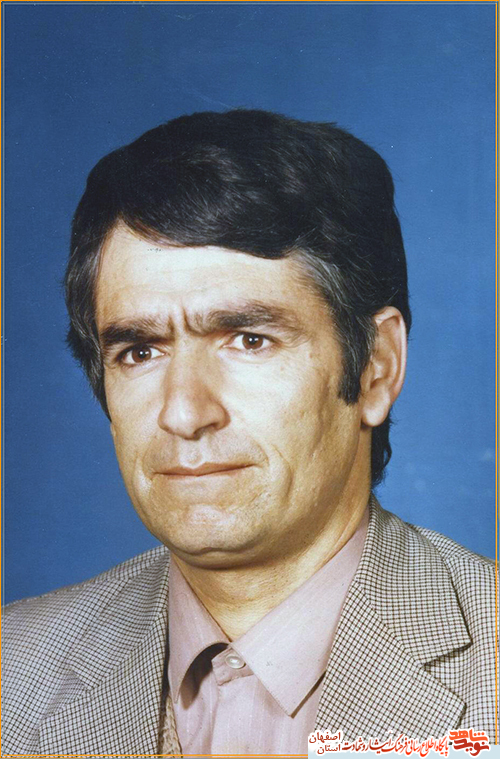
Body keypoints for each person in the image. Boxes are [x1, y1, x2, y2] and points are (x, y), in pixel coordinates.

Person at [3, 110, 496, 756]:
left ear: (376, 367)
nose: (185, 413)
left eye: (249, 339)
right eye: (140, 351)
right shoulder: (13, 671)